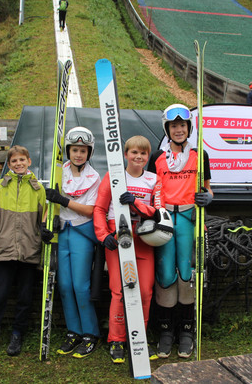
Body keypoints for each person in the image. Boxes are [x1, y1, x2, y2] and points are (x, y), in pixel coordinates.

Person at [147, 104, 213, 359]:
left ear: (189, 128)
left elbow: (208, 188)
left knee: (187, 271)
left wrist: (207, 197)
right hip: (164, 218)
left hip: (188, 217)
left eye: (182, 126)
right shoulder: (158, 158)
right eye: (173, 126)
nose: (178, 130)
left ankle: (186, 330)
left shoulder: (200, 156)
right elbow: (150, 187)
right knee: (165, 272)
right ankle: (165, 331)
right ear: (167, 128)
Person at [0, 145, 53, 360]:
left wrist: (41, 255)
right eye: (14, 161)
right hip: (3, 250)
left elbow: (44, 221)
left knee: (24, 297)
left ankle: (17, 334)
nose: (19, 164)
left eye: (22, 160)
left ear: (29, 161)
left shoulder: (38, 189)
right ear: (8, 165)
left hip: (29, 251)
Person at [93, 136, 160, 364]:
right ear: (125, 154)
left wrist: (136, 203)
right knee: (119, 291)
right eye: (134, 152)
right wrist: (103, 236)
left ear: (147, 156)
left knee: (144, 292)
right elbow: (99, 208)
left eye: (143, 153)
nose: (138, 157)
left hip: (143, 238)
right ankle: (117, 339)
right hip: (117, 236)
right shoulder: (113, 176)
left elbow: (156, 212)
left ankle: (139, 336)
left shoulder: (153, 179)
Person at [45, 127, 102, 358]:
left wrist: (64, 202)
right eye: (75, 150)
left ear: (89, 152)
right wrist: (45, 224)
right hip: (62, 231)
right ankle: (73, 331)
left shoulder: (94, 177)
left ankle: (90, 333)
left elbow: (90, 210)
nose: (78, 154)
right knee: (65, 286)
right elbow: (49, 199)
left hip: (81, 231)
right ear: (68, 150)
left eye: (83, 150)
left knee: (80, 286)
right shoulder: (59, 171)